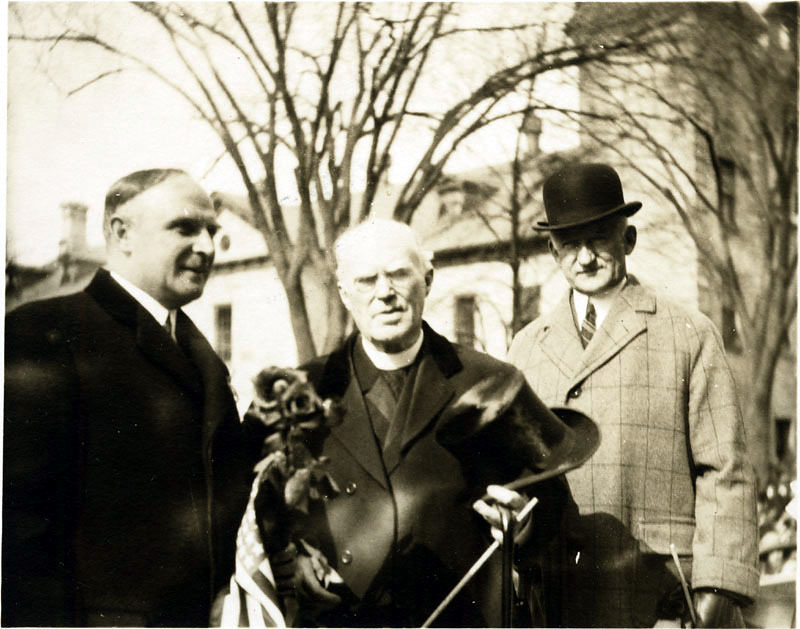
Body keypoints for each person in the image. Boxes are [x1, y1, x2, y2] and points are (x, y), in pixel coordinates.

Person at [244, 219, 593, 627]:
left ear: (427, 279)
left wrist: (526, 526)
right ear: (343, 294)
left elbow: (552, 509)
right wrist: (290, 559)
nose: (384, 294)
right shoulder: (300, 393)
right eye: (366, 281)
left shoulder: (489, 382)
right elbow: (255, 513)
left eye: (397, 275)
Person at [507, 162, 760, 627]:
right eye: (569, 244)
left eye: (599, 238)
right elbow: (515, 478)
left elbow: (726, 471)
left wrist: (718, 589)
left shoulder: (689, 333)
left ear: (628, 239)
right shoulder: (525, 347)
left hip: (662, 598)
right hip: (561, 599)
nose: (584, 258)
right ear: (551, 249)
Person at [3, 169, 256, 626]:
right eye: (185, 227)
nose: (206, 246)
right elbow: (20, 532)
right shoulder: (44, 334)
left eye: (212, 231)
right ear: (122, 233)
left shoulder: (201, 358)